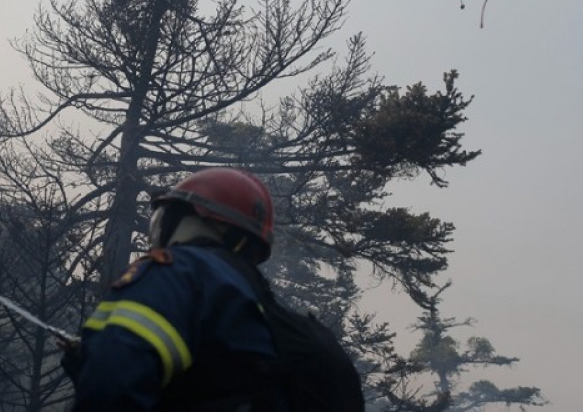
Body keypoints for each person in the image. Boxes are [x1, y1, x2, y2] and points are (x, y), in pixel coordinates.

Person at [61, 167, 364, 411]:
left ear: (193, 218)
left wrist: (97, 359)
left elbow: (112, 379)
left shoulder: (179, 271)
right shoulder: (261, 313)